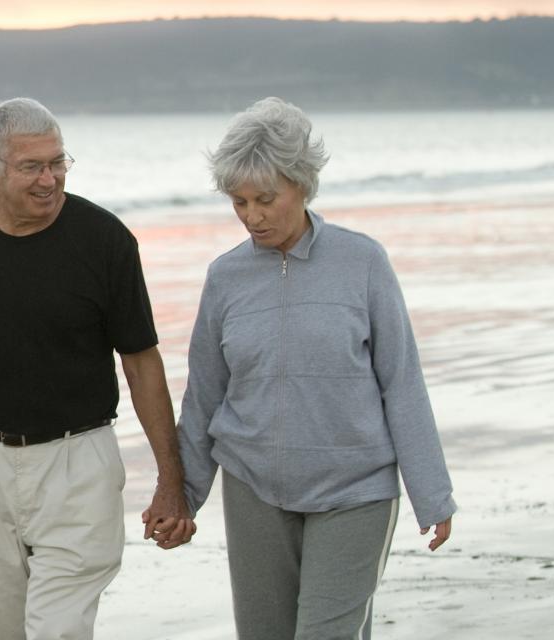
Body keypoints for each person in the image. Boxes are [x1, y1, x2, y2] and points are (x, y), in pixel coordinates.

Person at [0, 97, 194, 640]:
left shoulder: (105, 241)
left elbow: (142, 361)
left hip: (78, 464)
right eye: (32, 166)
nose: (49, 180)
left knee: (58, 630)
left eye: (58, 163)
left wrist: (172, 482)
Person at [176, 97, 458, 640]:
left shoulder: (363, 263)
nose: (252, 216)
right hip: (254, 487)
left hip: (356, 490)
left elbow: (401, 381)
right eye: (238, 202)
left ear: (302, 184)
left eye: (265, 199)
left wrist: (432, 491)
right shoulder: (225, 277)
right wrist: (183, 494)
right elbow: (205, 396)